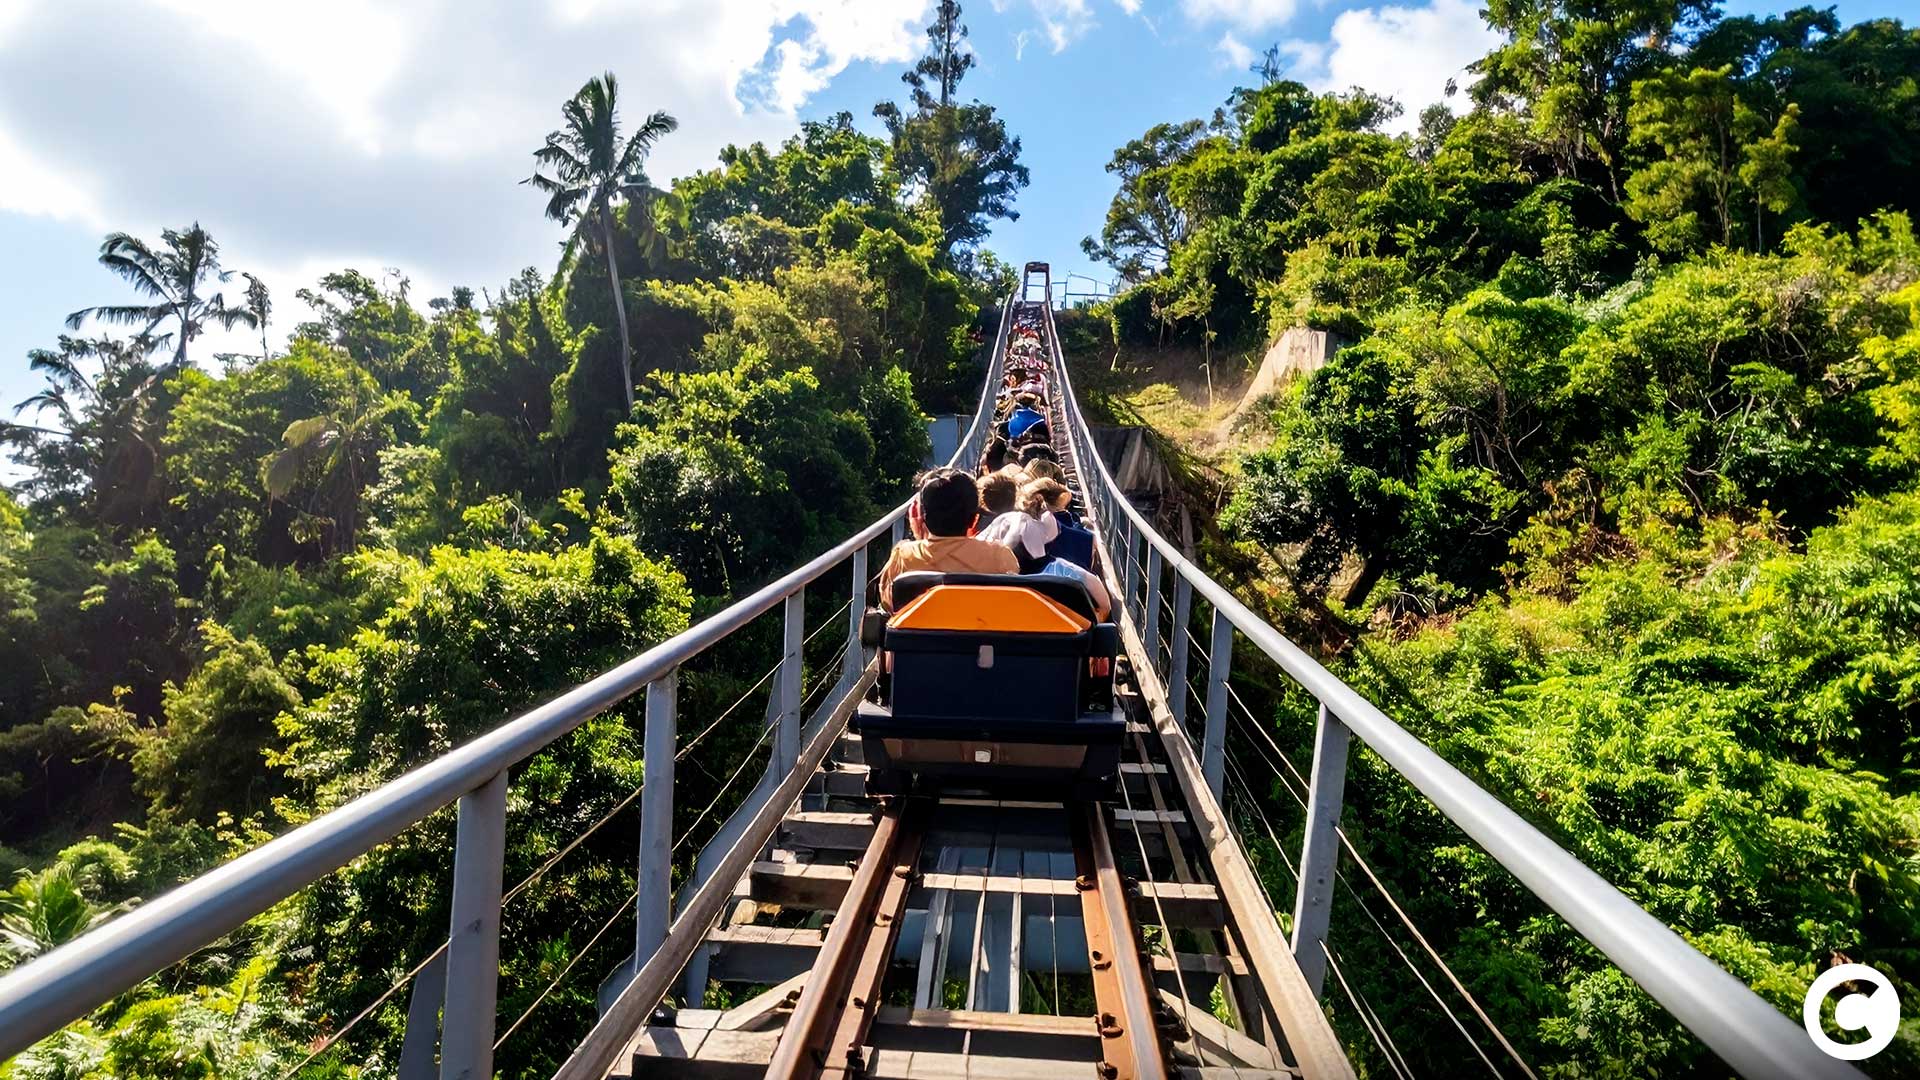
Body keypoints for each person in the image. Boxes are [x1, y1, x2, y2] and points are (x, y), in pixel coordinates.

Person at [879, 467, 1019, 608]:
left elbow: (888, 603)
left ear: (924, 516)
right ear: (974, 519)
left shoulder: (904, 558)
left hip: (921, 628)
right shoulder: (999, 557)